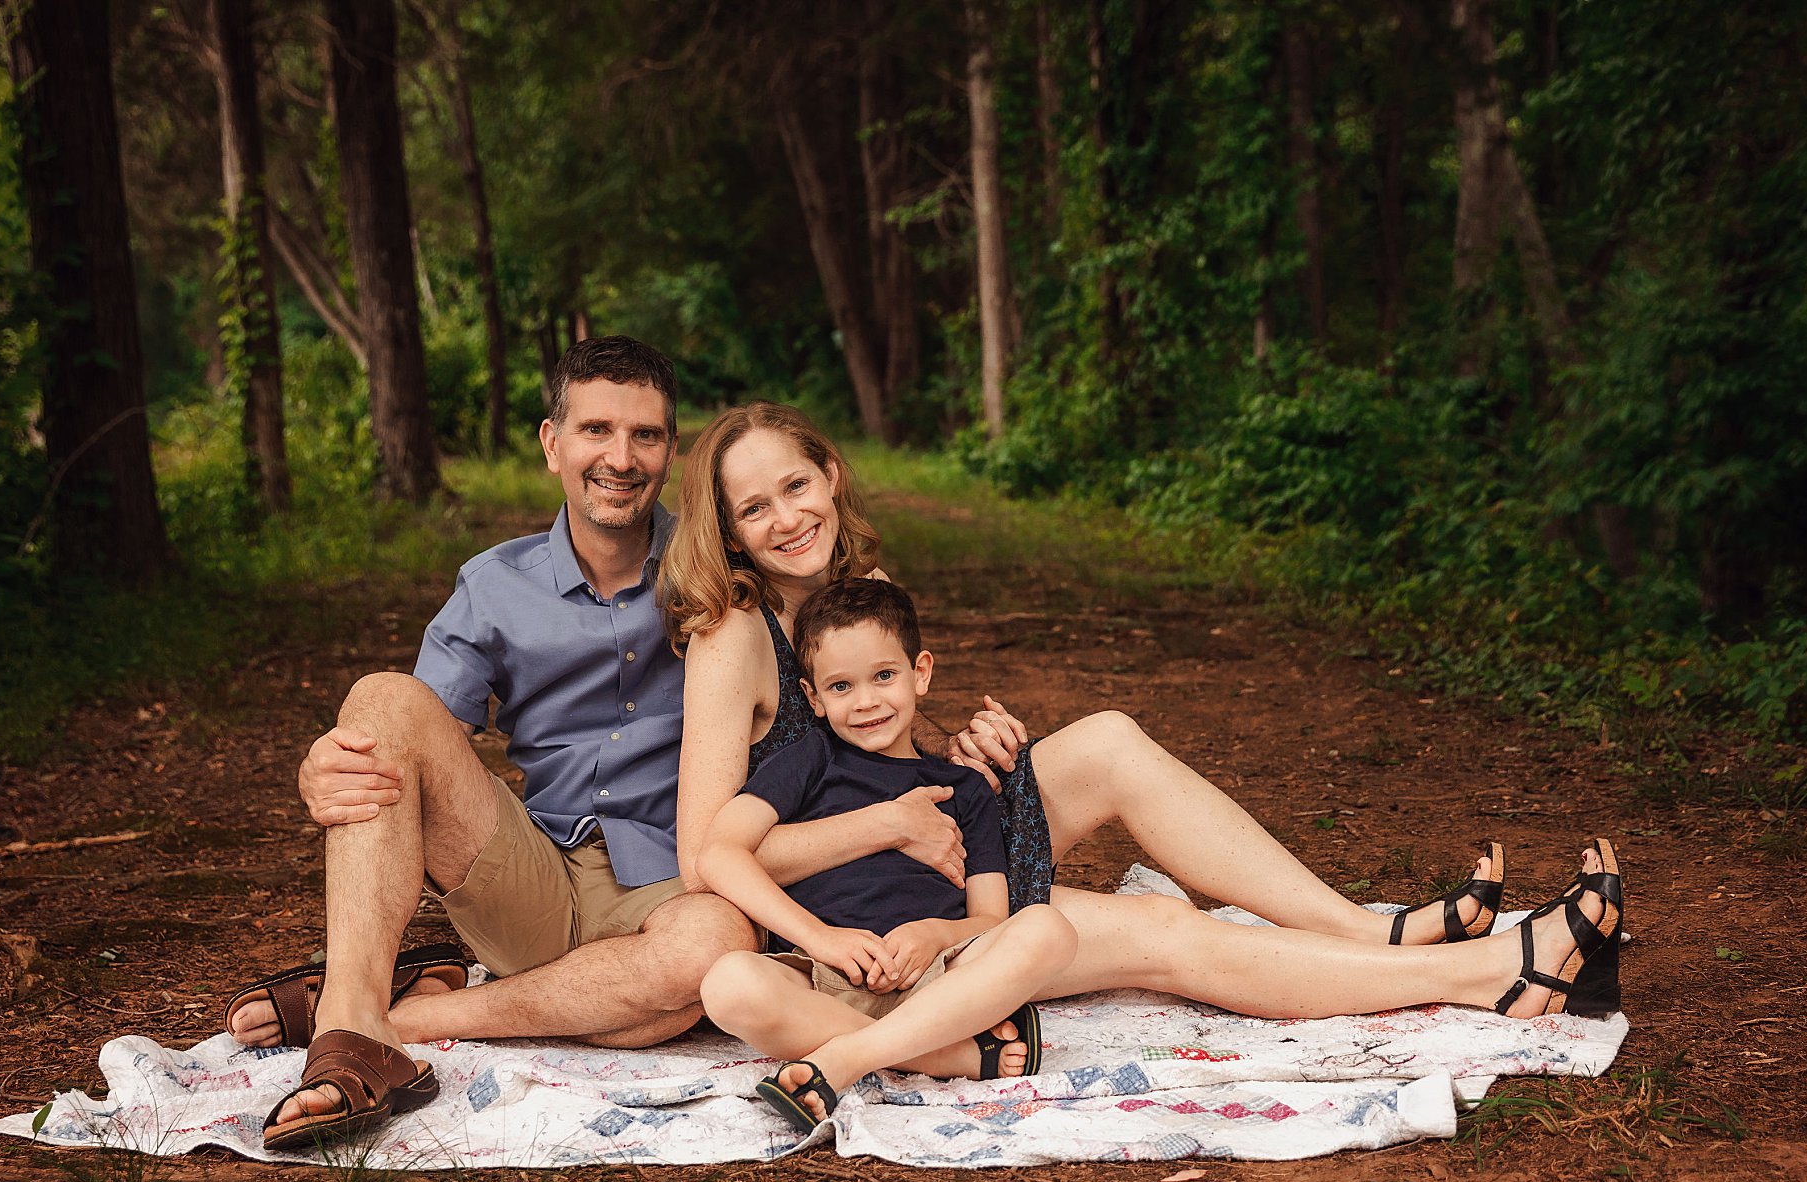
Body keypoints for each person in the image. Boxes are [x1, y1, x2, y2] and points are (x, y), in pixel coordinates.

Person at [662, 401, 1626, 1025]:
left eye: (796, 485)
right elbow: (704, 855)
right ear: (729, 530)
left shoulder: (863, 587)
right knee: (1164, 937)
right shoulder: (735, 633)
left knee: (1113, 737)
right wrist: (889, 821)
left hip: (940, 853)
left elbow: (875, 748)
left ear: (830, 474)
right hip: (865, 917)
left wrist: (953, 749)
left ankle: (1361, 931)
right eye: (754, 508)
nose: (786, 518)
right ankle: (1491, 975)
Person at [226, 336, 761, 1151]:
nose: (620, 457)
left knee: (714, 958)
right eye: (596, 431)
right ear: (553, 444)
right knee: (380, 698)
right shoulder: (495, 583)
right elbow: (402, 738)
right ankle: (352, 1033)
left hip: (676, 880)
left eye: (645, 435)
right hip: (534, 876)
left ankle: (389, 1012)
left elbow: (843, 650)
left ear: (671, 450)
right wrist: (325, 762)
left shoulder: (720, 569)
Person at [695, 577, 1077, 1131]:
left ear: (920, 672)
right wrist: (819, 939)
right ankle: (958, 1059)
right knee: (727, 985)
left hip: (942, 981)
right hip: (825, 979)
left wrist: (933, 935)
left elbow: (991, 917)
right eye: (842, 686)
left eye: (884, 676)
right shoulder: (811, 760)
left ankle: (846, 1058)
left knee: (1047, 928)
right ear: (813, 698)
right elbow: (718, 854)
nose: (867, 701)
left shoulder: (960, 789)